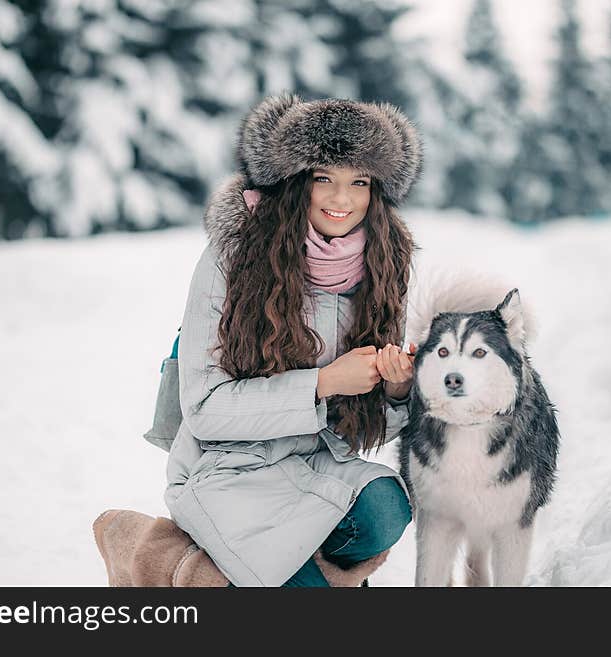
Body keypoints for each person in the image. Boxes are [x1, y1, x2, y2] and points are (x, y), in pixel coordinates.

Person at [94, 93, 423, 587]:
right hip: (226, 467)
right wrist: (323, 381)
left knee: (385, 507)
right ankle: (152, 552)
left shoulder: (381, 263)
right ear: (295, 182)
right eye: (323, 179)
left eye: (359, 182)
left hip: (315, 461)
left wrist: (397, 391)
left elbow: (363, 425)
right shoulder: (235, 254)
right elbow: (204, 409)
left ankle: (249, 573)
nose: (341, 200)